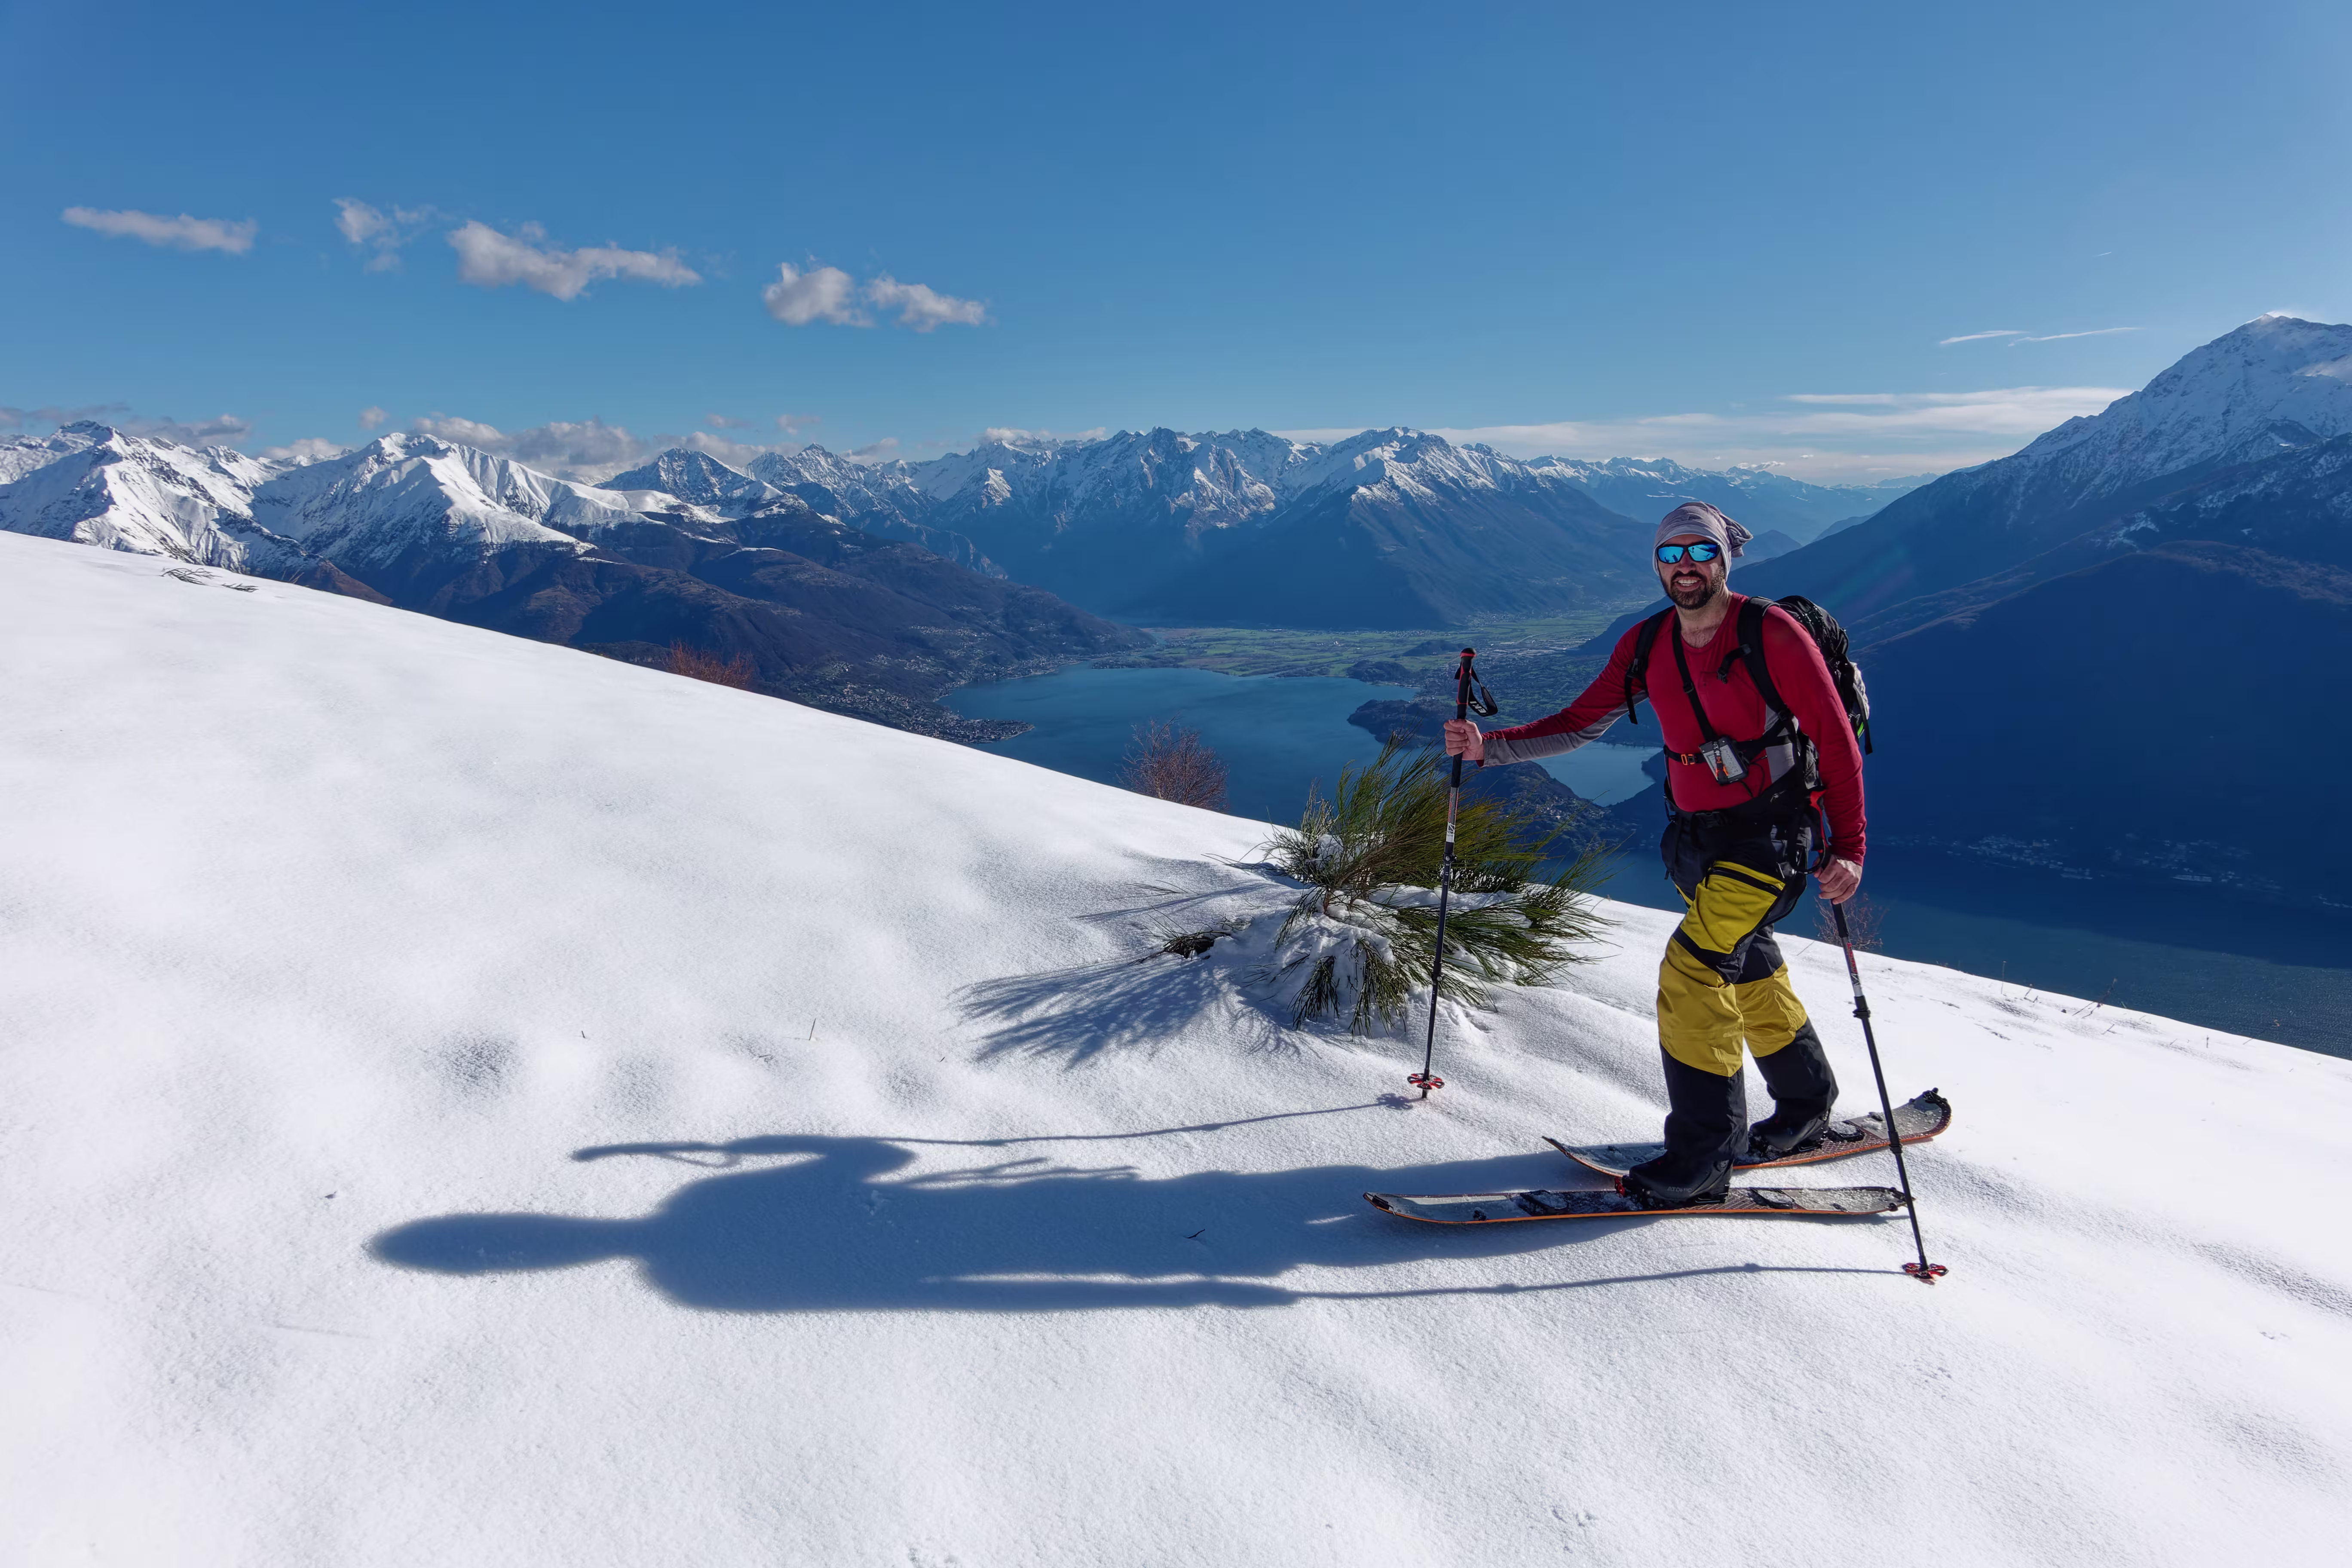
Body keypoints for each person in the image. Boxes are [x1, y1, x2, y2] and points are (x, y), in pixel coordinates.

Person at [1444, 502, 1865, 1208]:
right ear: (1657, 566)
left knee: (1693, 972)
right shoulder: (1648, 643)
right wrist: (1491, 748)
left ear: (1725, 559)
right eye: (1671, 555)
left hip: (1768, 840)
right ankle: (1806, 1102)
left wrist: (1848, 847)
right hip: (1696, 840)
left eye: (1700, 552)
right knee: (1748, 966)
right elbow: (1581, 723)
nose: (1685, 567)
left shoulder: (1771, 633)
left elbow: (1836, 741)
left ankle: (1703, 1158)